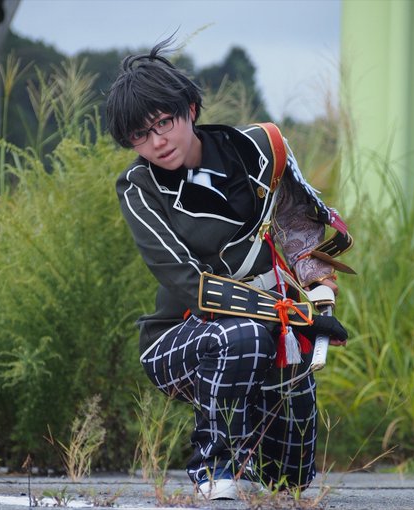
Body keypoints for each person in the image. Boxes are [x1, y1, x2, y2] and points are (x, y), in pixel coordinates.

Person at [106, 38, 352, 500]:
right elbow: (190, 284)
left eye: (163, 122)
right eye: (140, 134)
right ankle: (214, 466)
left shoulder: (259, 148)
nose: (157, 141)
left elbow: (296, 223)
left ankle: (255, 455)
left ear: (190, 109)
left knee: (290, 479)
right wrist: (293, 316)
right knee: (245, 337)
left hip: (274, 324)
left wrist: (318, 292)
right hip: (181, 336)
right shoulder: (139, 186)